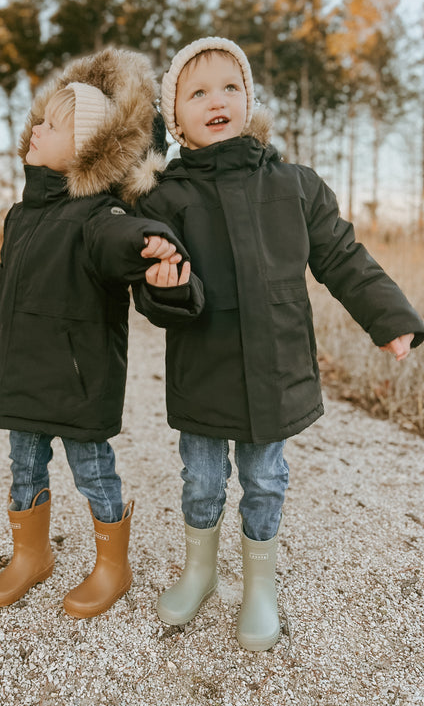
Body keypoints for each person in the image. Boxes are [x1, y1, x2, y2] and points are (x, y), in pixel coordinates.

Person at [122, 36, 424, 651]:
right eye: (198, 91)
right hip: (202, 369)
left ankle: (260, 585)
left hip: (277, 367)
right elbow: (151, 292)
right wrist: (164, 284)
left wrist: (390, 315)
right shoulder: (164, 198)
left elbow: (342, 256)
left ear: (250, 99)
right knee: (202, 480)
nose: (218, 100)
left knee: (264, 479)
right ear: (174, 118)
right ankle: (200, 570)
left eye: (231, 87)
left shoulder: (294, 185)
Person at [0, 47, 203, 620]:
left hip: (75, 378)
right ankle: (31, 554)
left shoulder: (96, 216)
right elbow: (3, 287)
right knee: (24, 466)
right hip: (22, 374)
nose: (34, 129)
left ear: (87, 150)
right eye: (39, 120)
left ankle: (112, 564)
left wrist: (150, 244)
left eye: (51, 125)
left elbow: (123, 237)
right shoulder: (21, 216)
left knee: (92, 468)